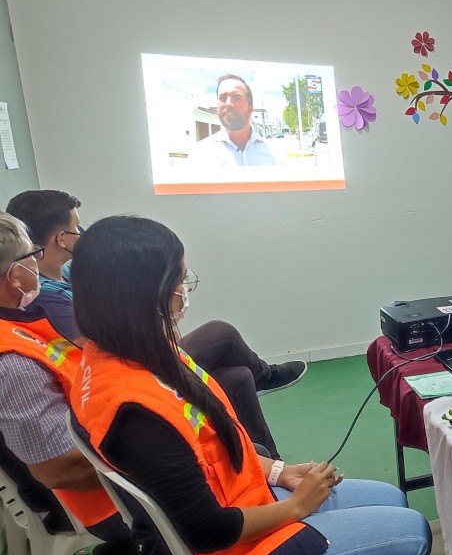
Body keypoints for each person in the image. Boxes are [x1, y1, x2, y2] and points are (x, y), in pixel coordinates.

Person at [69, 216, 430, 555]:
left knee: (392, 498)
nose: (184, 293)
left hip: (239, 505)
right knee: (415, 535)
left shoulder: (131, 352)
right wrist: (296, 507)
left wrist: (279, 472)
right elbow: (208, 530)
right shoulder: (134, 409)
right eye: (179, 282)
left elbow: (207, 448)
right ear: (143, 294)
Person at [6, 189, 306, 459]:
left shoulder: (69, 272)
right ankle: (265, 380)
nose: (80, 235)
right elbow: (105, 338)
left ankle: (273, 466)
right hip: (130, 366)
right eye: (76, 228)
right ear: (61, 238)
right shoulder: (45, 300)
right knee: (221, 332)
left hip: (128, 365)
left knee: (238, 377)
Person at [0, 213, 139, 555]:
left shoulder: (17, 324)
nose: (37, 263)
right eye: (32, 255)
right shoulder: (11, 363)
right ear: (15, 276)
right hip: (95, 499)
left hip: (100, 456)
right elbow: (57, 470)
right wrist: (153, 458)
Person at [189, 74, 279, 166]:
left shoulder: (275, 155)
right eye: (223, 98)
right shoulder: (200, 156)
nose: (228, 104)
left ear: (250, 108)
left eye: (237, 98)